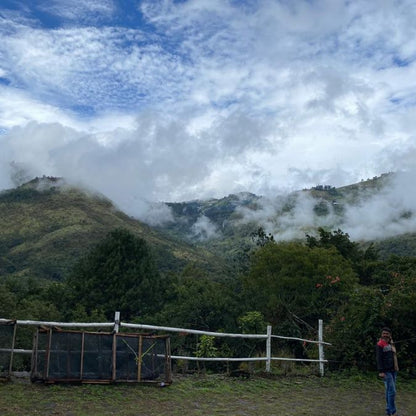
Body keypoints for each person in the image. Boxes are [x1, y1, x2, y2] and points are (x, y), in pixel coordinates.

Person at [376, 327, 399, 416]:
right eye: (384, 333)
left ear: (390, 335)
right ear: (381, 335)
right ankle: (392, 412)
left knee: (388, 390)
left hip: (393, 370)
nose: (385, 335)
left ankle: (388, 411)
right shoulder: (380, 344)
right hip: (386, 371)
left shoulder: (391, 344)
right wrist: (381, 371)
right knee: (392, 391)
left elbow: (394, 356)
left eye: (387, 333)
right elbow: (379, 359)